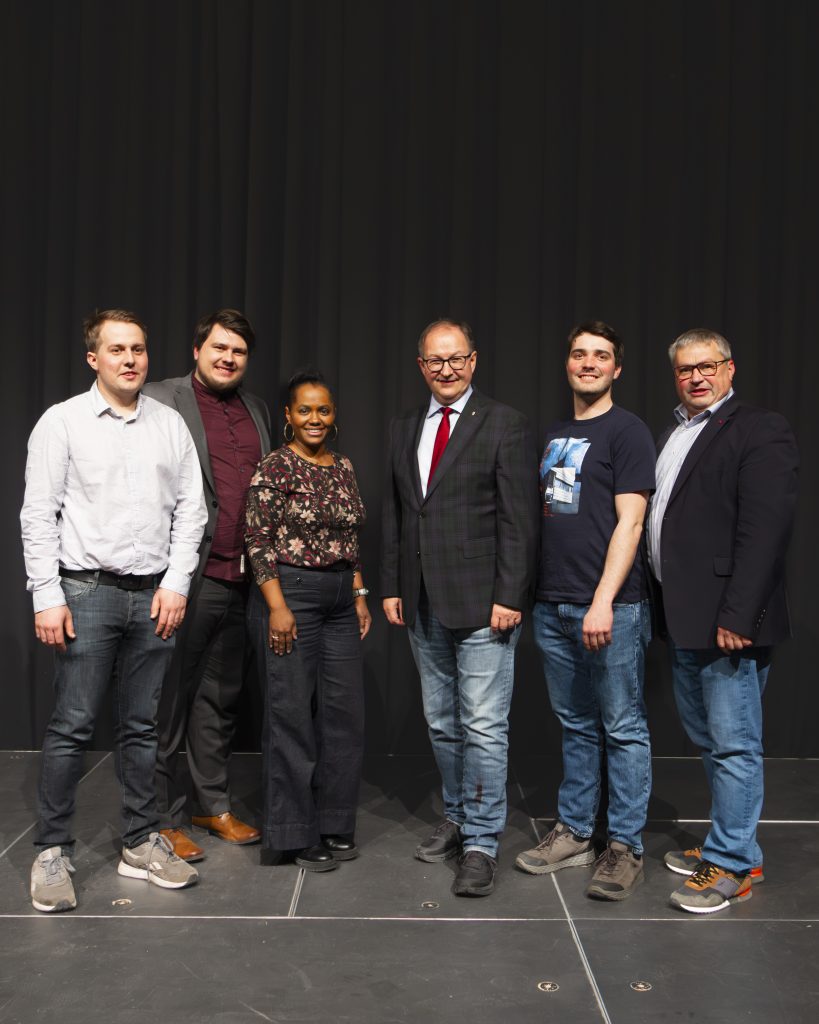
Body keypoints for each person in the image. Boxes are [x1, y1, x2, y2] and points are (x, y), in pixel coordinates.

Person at [21, 309, 207, 912]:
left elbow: (192, 511)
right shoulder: (63, 422)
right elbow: (37, 514)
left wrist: (177, 584)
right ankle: (52, 850)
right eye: (118, 349)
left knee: (142, 726)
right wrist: (46, 594)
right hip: (86, 592)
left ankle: (138, 841)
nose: (131, 359)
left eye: (140, 349)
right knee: (72, 724)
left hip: (154, 594)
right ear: (93, 359)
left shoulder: (170, 424)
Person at [381, 319, 539, 897]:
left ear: (473, 361)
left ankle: (481, 842)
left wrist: (510, 595)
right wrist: (393, 585)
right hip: (421, 603)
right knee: (443, 723)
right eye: (433, 361)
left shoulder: (504, 424)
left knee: (483, 726)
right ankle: (457, 814)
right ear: (421, 366)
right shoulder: (403, 428)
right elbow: (401, 515)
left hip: (483, 606)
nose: (445, 370)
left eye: (456, 359)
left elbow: (519, 521)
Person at [647, 328, 798, 914]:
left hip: (727, 622)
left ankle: (733, 866)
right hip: (683, 617)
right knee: (710, 740)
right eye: (685, 370)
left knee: (735, 745)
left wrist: (738, 614)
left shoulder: (760, 429)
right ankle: (735, 847)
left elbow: (765, 533)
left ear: (730, 369)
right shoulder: (676, 432)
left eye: (708, 366)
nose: (697, 377)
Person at [515, 321, 655, 900]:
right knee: (575, 724)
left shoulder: (628, 432)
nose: (588, 363)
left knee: (622, 727)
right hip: (553, 605)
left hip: (611, 609)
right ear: (567, 364)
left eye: (601, 356)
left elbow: (632, 520)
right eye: (579, 354)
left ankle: (624, 847)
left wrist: (602, 600)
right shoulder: (554, 434)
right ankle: (576, 832)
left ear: (617, 368)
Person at [144, 309, 271, 861]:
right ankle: (163, 817)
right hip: (183, 578)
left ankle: (210, 804)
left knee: (219, 701)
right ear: (197, 349)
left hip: (241, 580)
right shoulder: (160, 398)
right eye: (219, 347)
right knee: (167, 700)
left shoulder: (257, 409)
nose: (228, 358)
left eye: (238, 351)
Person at [245, 370, 371, 871]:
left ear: (333, 414)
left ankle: (335, 821)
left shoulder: (342, 465)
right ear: (289, 417)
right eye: (305, 410)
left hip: (341, 596)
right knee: (291, 714)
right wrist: (276, 606)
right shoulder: (274, 468)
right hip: (292, 593)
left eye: (323, 410)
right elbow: (257, 541)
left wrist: (359, 592)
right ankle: (294, 833)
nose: (314, 418)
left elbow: (352, 535)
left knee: (344, 716)